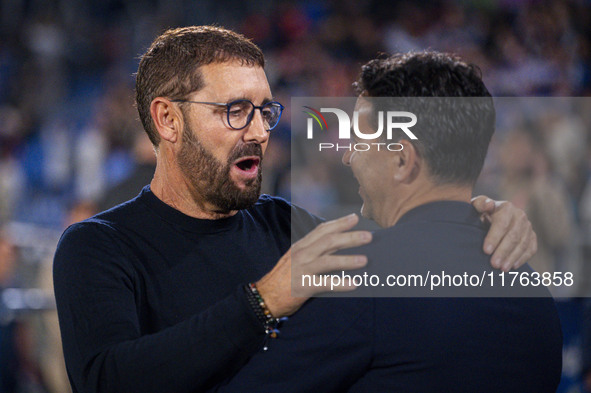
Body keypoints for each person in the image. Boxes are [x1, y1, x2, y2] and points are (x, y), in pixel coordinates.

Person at [53, 27, 538, 393]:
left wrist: (481, 216)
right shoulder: (98, 246)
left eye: (266, 110)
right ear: (168, 119)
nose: (261, 132)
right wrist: (262, 301)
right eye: (235, 110)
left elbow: (407, 240)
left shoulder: (287, 224)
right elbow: (106, 380)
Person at [217, 52, 562, 392]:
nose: (349, 156)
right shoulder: (534, 290)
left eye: (360, 141)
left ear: (402, 160)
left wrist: (258, 303)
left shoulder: (363, 280)